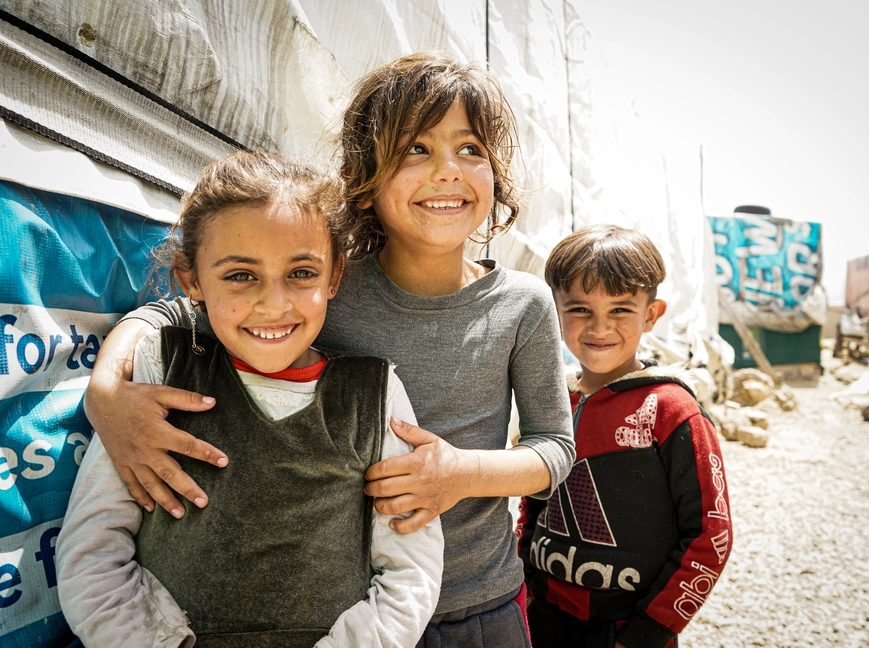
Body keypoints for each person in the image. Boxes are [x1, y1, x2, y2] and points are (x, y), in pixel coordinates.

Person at [81, 52, 576, 646]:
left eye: (470, 149)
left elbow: (556, 448)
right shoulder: (318, 290)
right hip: (354, 615)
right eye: (416, 149)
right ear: (364, 180)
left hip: (478, 604)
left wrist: (460, 474)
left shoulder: (522, 302)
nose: (447, 171)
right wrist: (105, 391)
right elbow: (180, 313)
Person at [56, 151, 444, 647]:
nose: (274, 303)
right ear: (191, 279)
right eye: (241, 275)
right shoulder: (161, 369)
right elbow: (91, 555)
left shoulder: (374, 393)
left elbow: (411, 571)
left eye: (302, 273)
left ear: (334, 276)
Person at [516, 224, 732, 648]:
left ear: (651, 315)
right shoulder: (553, 400)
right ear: (555, 311)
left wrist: (649, 632)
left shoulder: (672, 410)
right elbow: (532, 502)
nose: (599, 327)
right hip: (542, 616)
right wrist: (522, 586)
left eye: (619, 309)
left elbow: (711, 534)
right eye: (580, 309)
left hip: (624, 630)